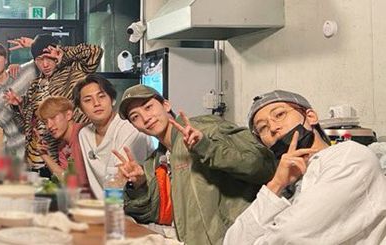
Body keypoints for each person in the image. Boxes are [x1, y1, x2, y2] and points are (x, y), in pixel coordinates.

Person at [116, 84, 275, 245]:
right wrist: (139, 184)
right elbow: (152, 214)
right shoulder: (156, 161)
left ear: (166, 105)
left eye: (148, 107)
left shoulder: (206, 127)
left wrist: (207, 148)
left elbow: (264, 167)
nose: (145, 117)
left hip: (238, 238)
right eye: (135, 116)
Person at [223, 90, 386, 244]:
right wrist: (276, 185)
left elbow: (291, 236)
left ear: (311, 116)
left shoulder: (348, 156)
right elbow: (233, 241)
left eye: (279, 114)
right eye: (263, 128)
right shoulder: (286, 185)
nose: (273, 128)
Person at [5, 34, 103, 177]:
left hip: (70, 152)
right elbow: (27, 126)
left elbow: (95, 51)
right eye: (39, 60)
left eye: (49, 58)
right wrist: (17, 105)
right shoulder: (35, 84)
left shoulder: (74, 70)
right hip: (39, 158)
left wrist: (62, 52)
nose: (45, 64)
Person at [73, 75, 153, 199]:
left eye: (102, 96)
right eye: (88, 100)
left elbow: (120, 179)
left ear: (113, 100)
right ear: (80, 109)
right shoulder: (84, 134)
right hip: (104, 209)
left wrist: (109, 214)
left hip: (137, 208)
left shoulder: (129, 128)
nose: (96, 103)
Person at [0, 41, 38, 160]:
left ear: (5, 59)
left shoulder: (24, 72)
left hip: (43, 149)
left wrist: (33, 44)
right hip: (16, 156)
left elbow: (48, 58)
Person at [35, 96, 90, 193]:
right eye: (45, 122)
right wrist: (44, 155)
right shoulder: (63, 147)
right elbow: (66, 180)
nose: (49, 126)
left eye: (53, 118)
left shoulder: (83, 134)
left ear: (68, 115)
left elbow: (78, 183)